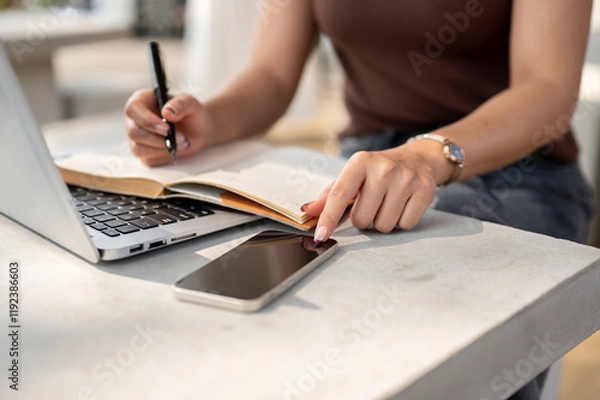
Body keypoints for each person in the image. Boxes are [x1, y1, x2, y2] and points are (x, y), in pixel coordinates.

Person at [125, 1, 595, 398]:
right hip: (363, 166)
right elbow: (270, 73)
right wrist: (208, 120)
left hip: (514, 172)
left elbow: (547, 89)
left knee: (433, 342)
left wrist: (426, 156)